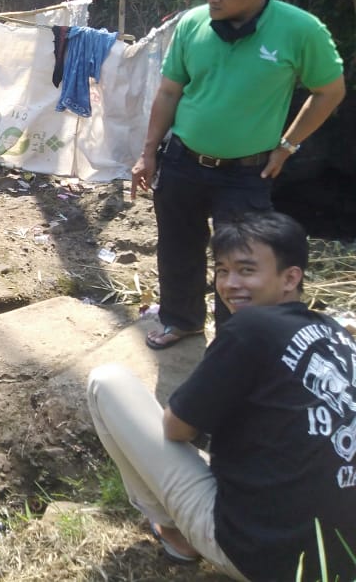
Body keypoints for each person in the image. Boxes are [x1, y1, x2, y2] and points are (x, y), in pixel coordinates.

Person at [87, 211, 356, 581]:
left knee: (107, 382)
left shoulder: (250, 326)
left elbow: (176, 428)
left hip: (266, 560)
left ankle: (175, 534)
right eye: (223, 270)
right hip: (341, 561)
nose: (229, 284)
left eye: (247, 270)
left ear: (291, 277)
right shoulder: (335, 333)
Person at [131, 0, 345, 350]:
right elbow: (170, 91)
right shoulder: (193, 24)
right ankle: (182, 321)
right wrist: (148, 153)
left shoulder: (300, 31)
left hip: (246, 173)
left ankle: (234, 343)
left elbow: (330, 91)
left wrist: (289, 145)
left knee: (241, 263)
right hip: (181, 162)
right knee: (177, 248)